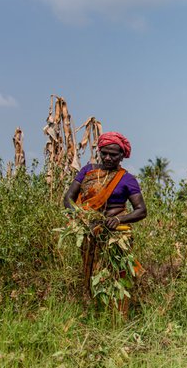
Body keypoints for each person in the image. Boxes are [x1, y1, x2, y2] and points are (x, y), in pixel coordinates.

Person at [63, 132, 147, 312]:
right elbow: (69, 198)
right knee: (90, 272)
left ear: (122, 156)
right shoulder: (87, 171)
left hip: (116, 235)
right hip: (90, 232)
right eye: (104, 153)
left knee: (117, 274)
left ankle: (118, 314)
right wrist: (80, 217)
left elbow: (141, 210)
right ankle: (93, 310)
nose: (108, 158)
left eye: (114, 154)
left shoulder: (127, 179)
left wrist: (118, 219)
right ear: (99, 151)